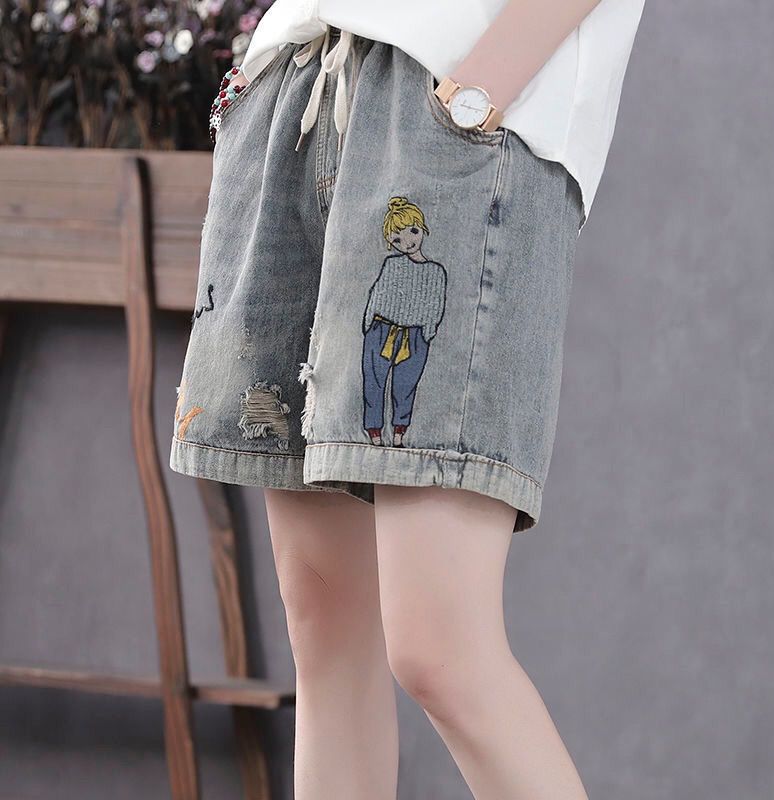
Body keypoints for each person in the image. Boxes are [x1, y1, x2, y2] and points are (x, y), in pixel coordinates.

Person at [171, 0, 646, 797]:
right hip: (300, 78)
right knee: (324, 625)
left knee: (440, 649)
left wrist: (479, 88)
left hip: (449, 100)